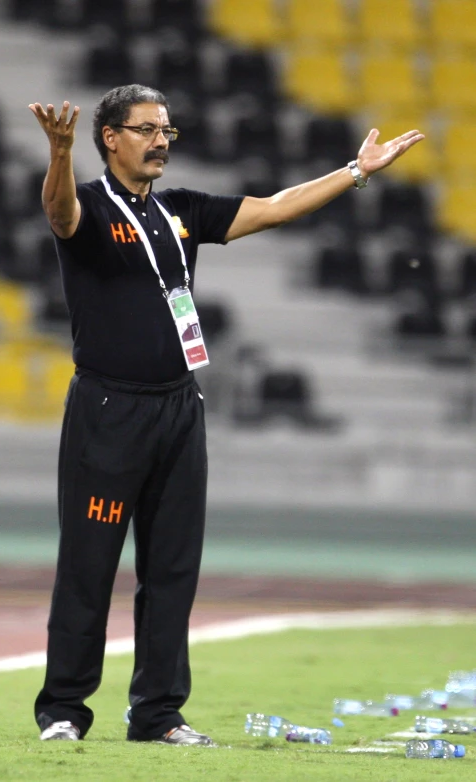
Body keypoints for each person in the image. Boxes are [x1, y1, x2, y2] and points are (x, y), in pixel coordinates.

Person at [28, 84, 423, 745]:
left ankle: (156, 715)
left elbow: (269, 209)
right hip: (108, 411)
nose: (161, 141)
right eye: (147, 129)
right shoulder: (90, 205)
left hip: (178, 409)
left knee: (173, 570)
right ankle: (63, 710)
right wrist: (59, 155)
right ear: (111, 138)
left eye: (167, 131)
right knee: (88, 566)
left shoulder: (180, 210)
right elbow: (59, 215)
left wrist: (355, 172)